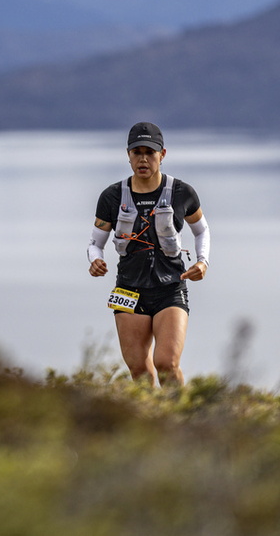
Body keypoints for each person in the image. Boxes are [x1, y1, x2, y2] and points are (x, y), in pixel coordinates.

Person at [87, 123, 210, 386]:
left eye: (150, 153)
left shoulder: (181, 192)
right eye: (137, 152)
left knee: (166, 363)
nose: (143, 159)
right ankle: (153, 422)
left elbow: (202, 231)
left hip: (170, 288)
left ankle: (182, 420)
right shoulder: (111, 197)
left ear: (162, 154)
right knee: (140, 373)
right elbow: (95, 243)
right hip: (128, 291)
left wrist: (203, 262)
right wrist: (95, 260)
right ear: (128, 155)